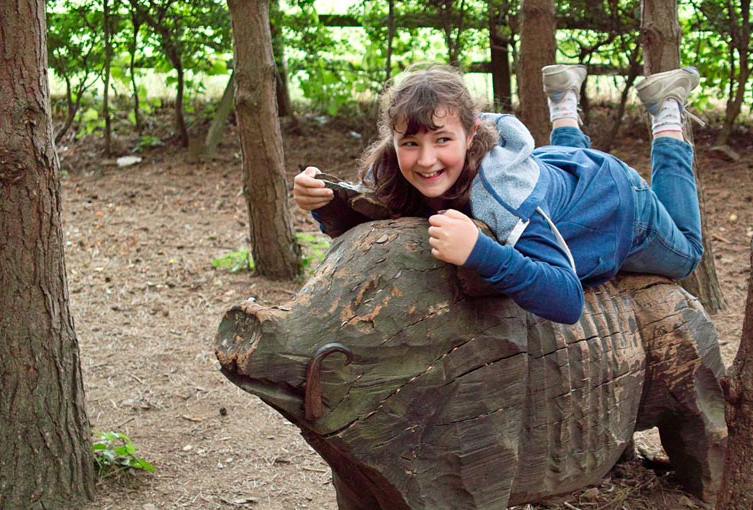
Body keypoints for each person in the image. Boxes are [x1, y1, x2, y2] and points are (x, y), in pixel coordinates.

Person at [293, 64, 703, 324]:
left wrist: (479, 252)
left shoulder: (505, 195)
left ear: (472, 136)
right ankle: (563, 99)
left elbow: (567, 301)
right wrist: (325, 203)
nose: (425, 159)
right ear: (393, 140)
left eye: (441, 140)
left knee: (687, 253)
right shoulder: (392, 166)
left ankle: (666, 113)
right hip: (556, 167)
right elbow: (371, 224)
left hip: (617, 198)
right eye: (410, 143)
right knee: (561, 174)